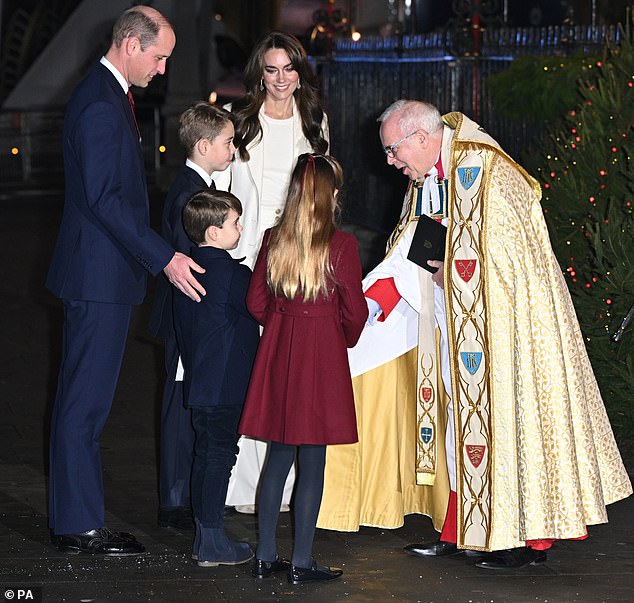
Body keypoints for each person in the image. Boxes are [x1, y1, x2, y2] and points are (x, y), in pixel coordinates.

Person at [318, 100, 633, 569]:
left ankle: (521, 539)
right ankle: (460, 527)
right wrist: (378, 293)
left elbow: (512, 258)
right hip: (455, 324)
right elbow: (415, 243)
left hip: (506, 332)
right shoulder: (428, 176)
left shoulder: (489, 170)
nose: (390, 162)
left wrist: (459, 272)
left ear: (420, 139)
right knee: (458, 426)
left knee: (508, 421)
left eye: (393, 151)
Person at [46, 6, 205, 556]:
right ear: (132, 45)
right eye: (160, 57)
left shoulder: (105, 95)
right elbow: (106, 200)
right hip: (97, 277)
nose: (162, 69)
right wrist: (165, 259)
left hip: (100, 274)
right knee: (83, 404)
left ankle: (77, 518)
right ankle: (77, 524)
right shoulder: (99, 103)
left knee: (84, 402)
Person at [214, 31, 330, 514]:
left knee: (287, 370)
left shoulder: (315, 120)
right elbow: (220, 188)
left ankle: (279, 489)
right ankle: (244, 487)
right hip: (247, 255)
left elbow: (322, 192)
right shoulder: (240, 121)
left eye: (289, 69)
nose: (281, 80)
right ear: (258, 73)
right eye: (271, 69)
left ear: (300, 72)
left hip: (296, 261)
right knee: (250, 368)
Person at [238, 154, 367, 583]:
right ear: (329, 195)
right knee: (313, 460)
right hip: (322, 355)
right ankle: (302, 561)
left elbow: (255, 303)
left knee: (278, 456)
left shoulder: (275, 238)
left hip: (280, 352)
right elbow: (355, 311)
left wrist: (281, 325)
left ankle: (265, 555)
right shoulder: (342, 245)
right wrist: (340, 336)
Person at [149, 101, 235, 531]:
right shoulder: (190, 193)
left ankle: (178, 496)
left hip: (187, 316)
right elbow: (191, 262)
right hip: (188, 318)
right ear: (204, 146)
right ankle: (175, 499)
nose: (233, 150)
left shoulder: (190, 185)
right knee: (181, 404)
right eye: (227, 143)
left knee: (183, 403)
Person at [173, 189, 259, 567]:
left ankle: (205, 537)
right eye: (234, 223)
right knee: (220, 456)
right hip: (227, 384)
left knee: (206, 455)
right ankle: (210, 543)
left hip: (200, 381)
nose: (240, 228)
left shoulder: (183, 271)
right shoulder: (233, 274)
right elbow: (260, 309)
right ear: (212, 232)